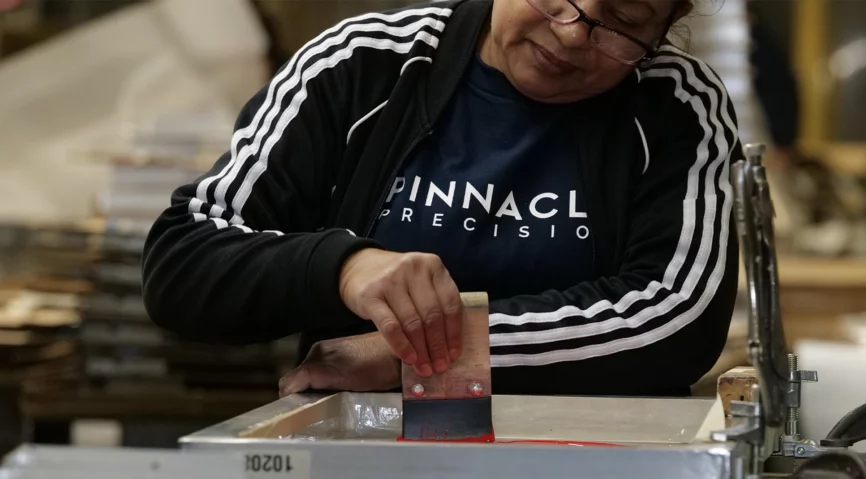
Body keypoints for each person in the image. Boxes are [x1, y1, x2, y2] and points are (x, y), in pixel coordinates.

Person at [141, 0, 741, 399]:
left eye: (621, 21)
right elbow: (183, 263)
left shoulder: (675, 107)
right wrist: (344, 267)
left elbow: (672, 320)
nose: (571, 33)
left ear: (662, 29)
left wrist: (422, 356)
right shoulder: (364, 66)